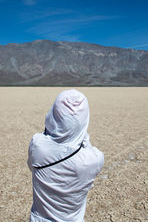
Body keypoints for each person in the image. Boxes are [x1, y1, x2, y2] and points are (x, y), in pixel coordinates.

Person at [27, 89, 104, 222]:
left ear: (53, 115)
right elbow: (85, 143)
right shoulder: (95, 159)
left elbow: (31, 166)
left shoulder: (37, 145)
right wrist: (80, 133)